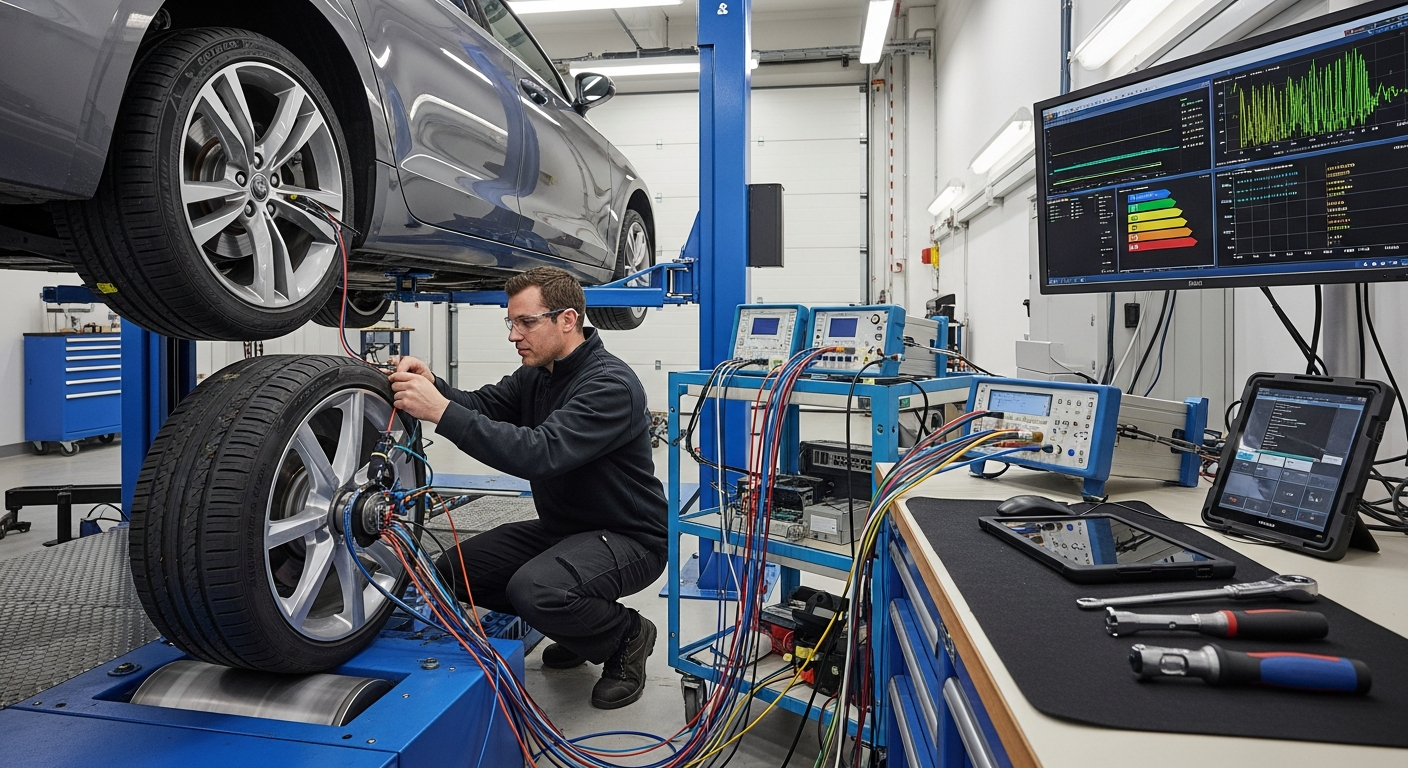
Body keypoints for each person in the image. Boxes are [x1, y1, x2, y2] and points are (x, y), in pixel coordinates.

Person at [388, 266, 667, 710]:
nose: (514, 335)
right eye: (511, 322)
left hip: (629, 538)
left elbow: (538, 453)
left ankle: (626, 637)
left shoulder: (609, 385)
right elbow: (483, 406)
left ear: (568, 319)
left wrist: (438, 411)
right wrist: (433, 386)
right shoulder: (539, 372)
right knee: (453, 571)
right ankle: (578, 625)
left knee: (534, 589)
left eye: (526, 322)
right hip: (564, 530)